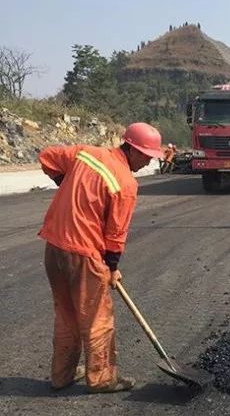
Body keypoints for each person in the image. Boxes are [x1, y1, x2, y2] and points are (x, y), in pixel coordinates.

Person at [38, 122, 163, 393]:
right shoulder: (126, 183)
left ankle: (62, 375)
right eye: (148, 156)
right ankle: (102, 378)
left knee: (66, 314)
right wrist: (112, 268)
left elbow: (46, 156)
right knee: (97, 317)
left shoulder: (85, 153)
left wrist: (67, 184)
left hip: (54, 247)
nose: (149, 163)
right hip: (83, 253)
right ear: (133, 150)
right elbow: (115, 234)